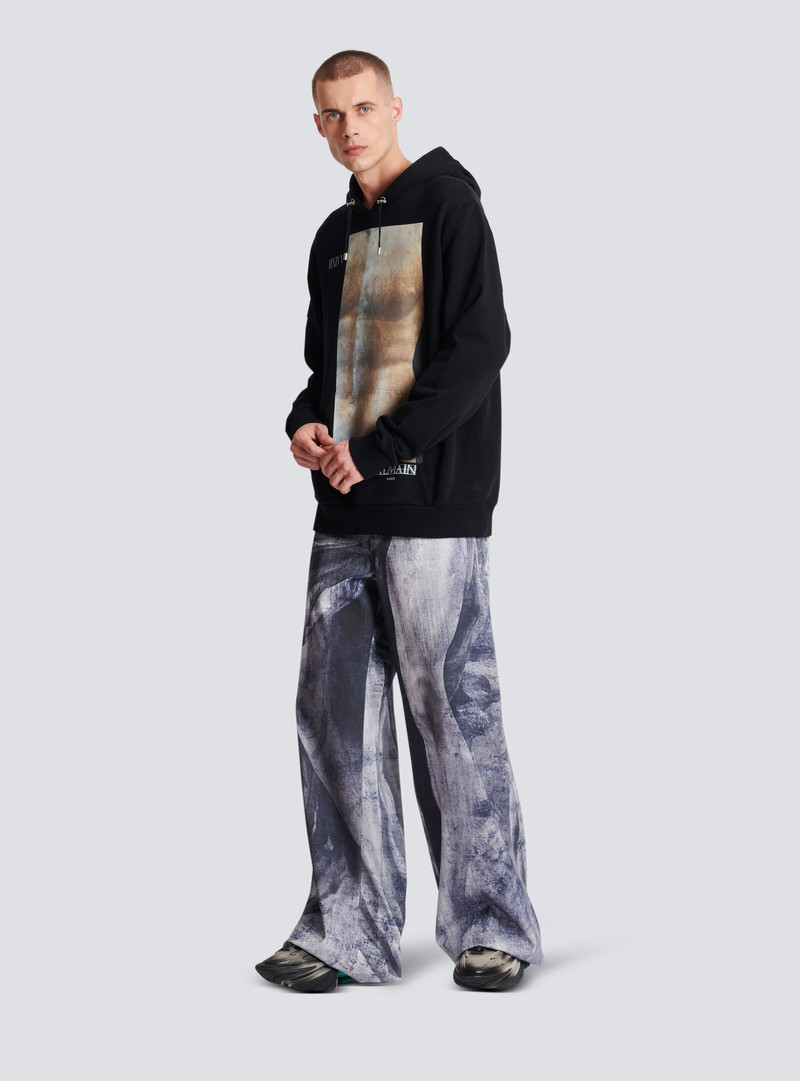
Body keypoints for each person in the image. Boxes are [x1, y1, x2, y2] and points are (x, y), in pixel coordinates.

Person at [255, 50, 543, 993]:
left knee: (453, 709)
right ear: (318, 125)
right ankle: (349, 928)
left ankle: (493, 926)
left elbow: (480, 347)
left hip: (433, 505)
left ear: (395, 107)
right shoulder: (333, 236)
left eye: (364, 108)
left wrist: (381, 448)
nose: (351, 128)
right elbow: (325, 367)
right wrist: (306, 423)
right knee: (334, 717)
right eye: (333, 115)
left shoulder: (450, 207)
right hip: (346, 506)